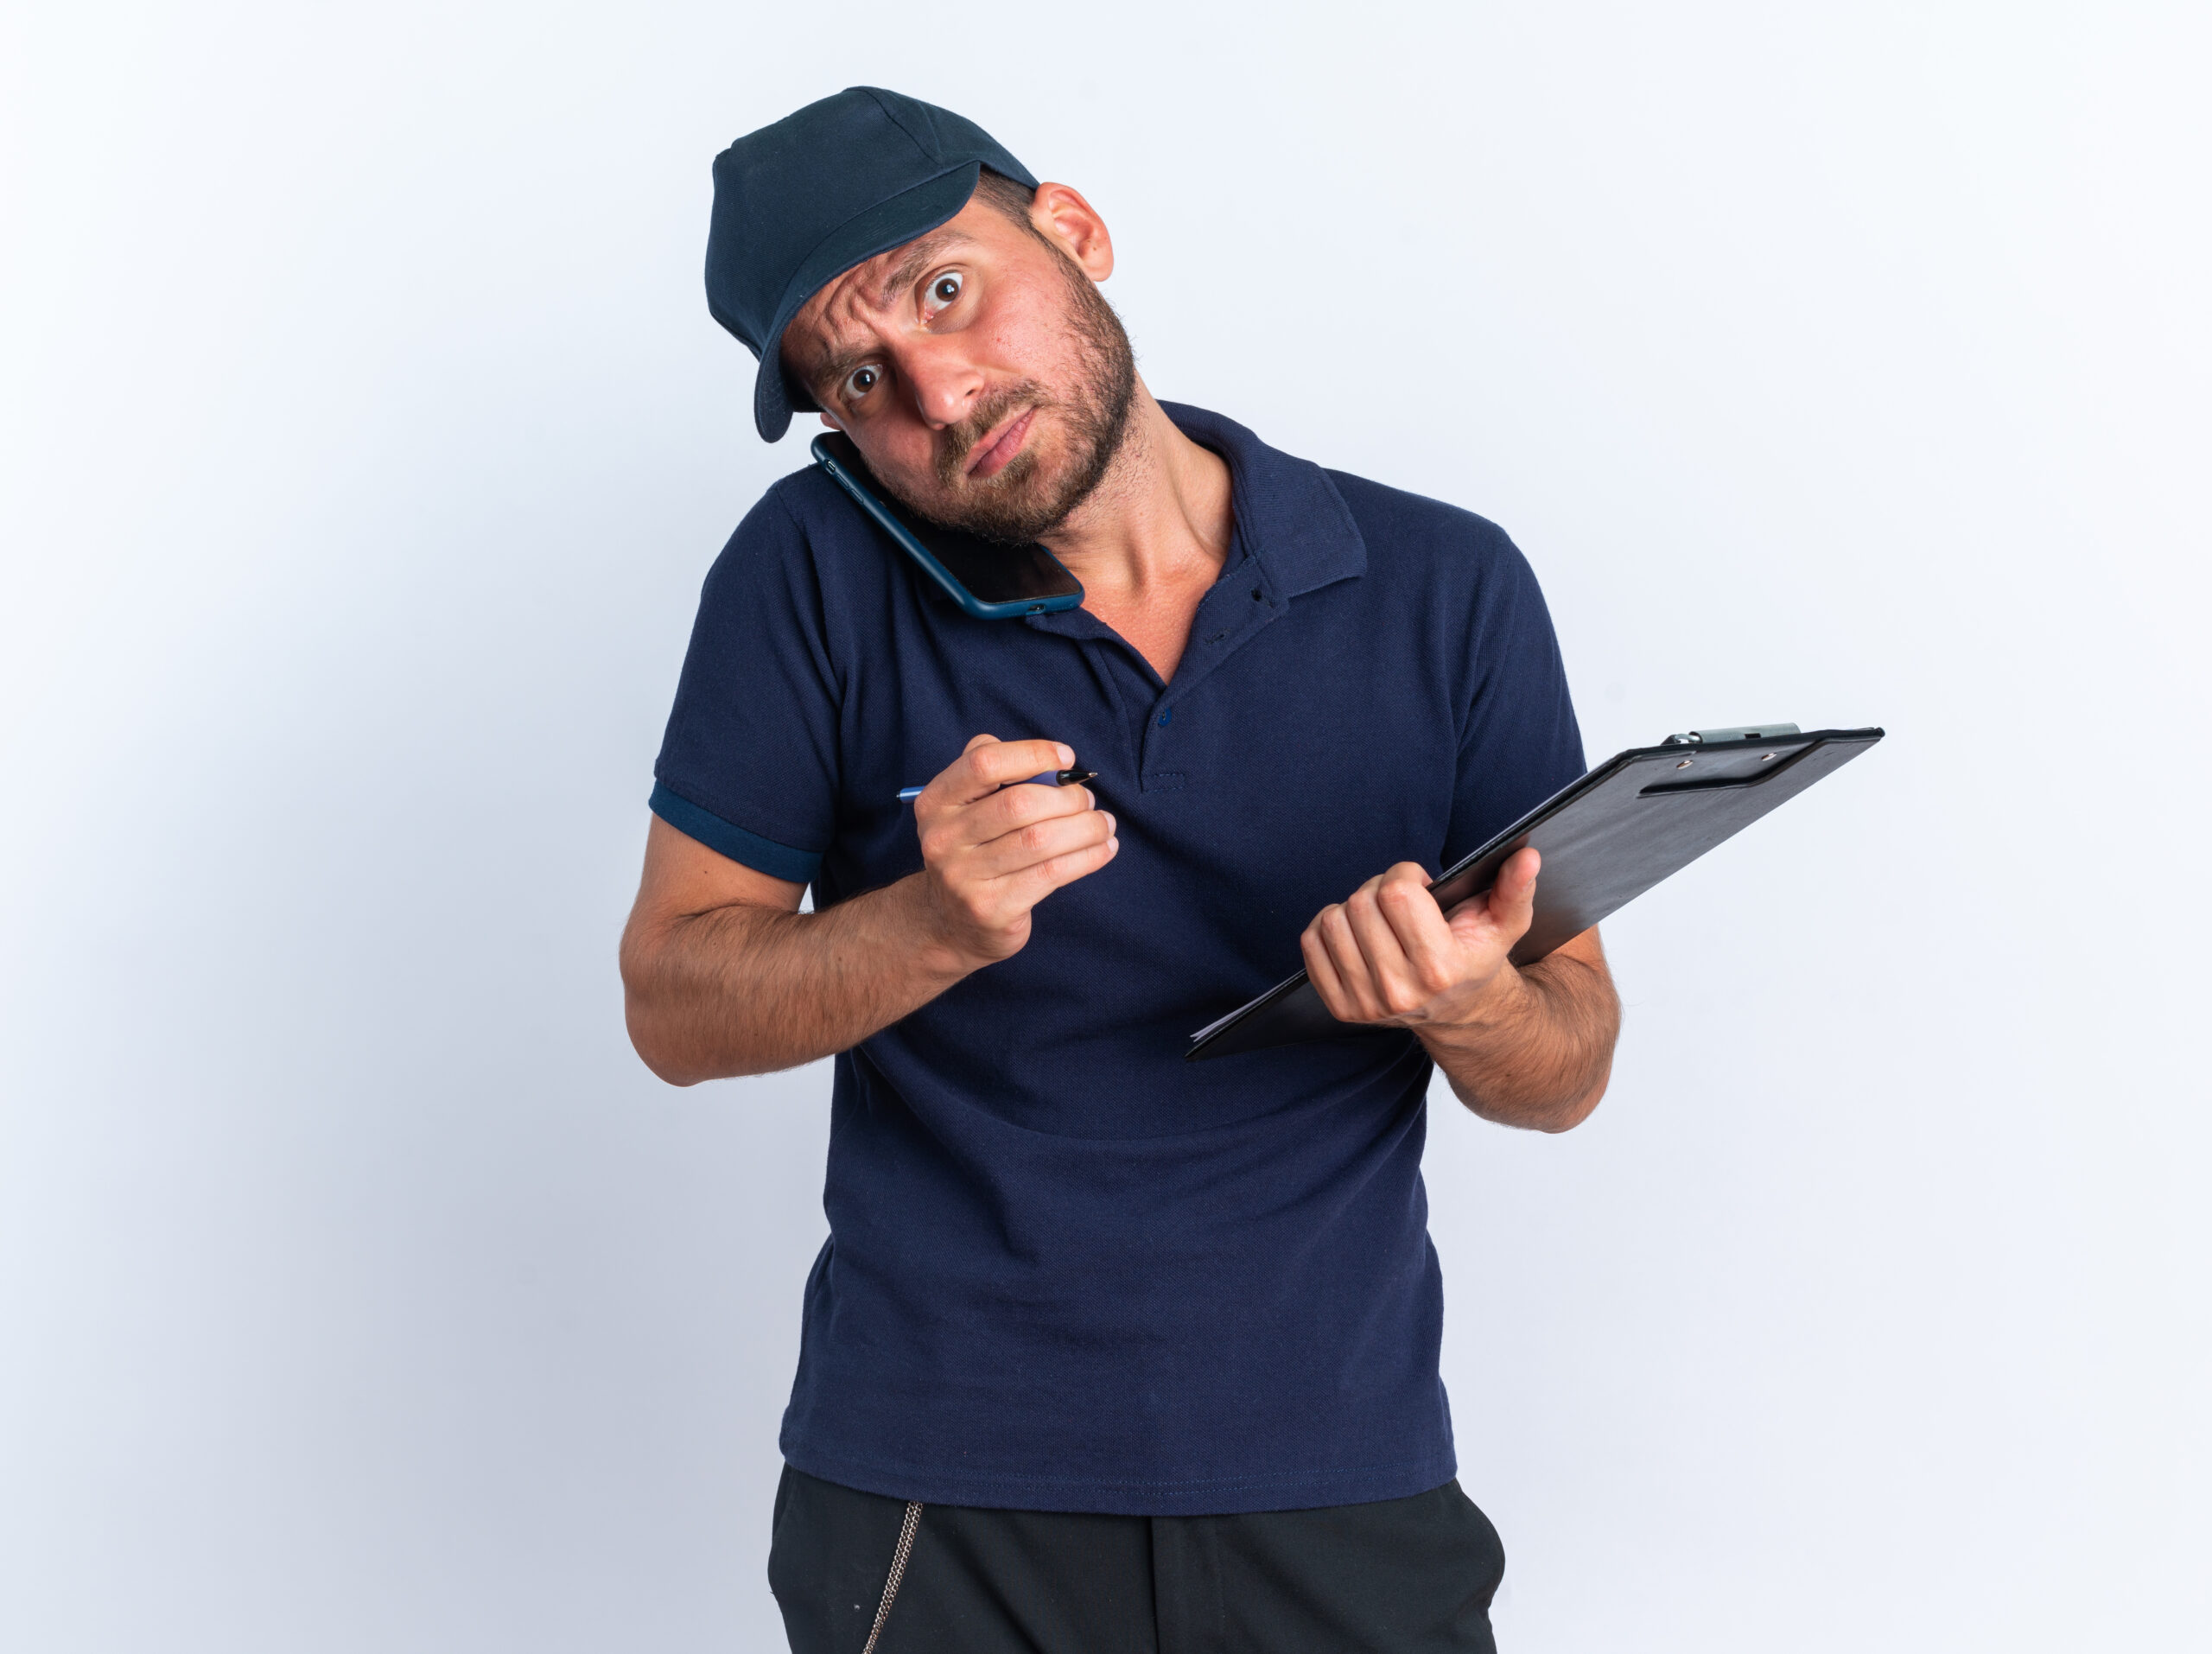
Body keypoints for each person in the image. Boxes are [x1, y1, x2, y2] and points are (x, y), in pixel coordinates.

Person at [620, 86, 1622, 1653]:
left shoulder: (1446, 585)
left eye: (948, 288)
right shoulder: (808, 568)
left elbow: (1566, 1064)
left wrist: (1466, 1001)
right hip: (934, 1500)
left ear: (1073, 232)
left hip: (1339, 1482)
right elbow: (673, 999)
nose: (939, 394)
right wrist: (927, 923)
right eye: (863, 375)